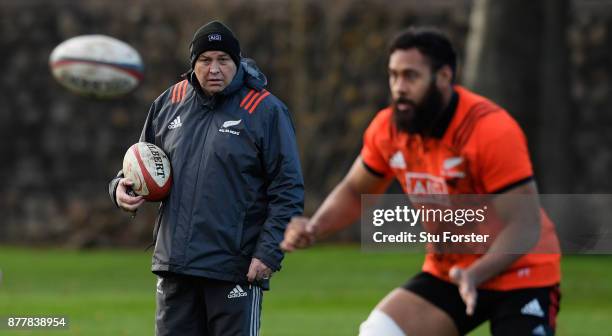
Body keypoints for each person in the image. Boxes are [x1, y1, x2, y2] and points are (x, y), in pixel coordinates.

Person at [281, 27, 561, 336]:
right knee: (379, 332)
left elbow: (525, 225)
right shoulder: (388, 129)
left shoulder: (490, 130)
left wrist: (475, 274)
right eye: (393, 75)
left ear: (443, 76)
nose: (399, 87)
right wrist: (314, 226)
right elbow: (356, 190)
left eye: (410, 76)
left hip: (521, 272)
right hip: (450, 274)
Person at [108, 20, 304, 336]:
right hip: (176, 268)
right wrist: (119, 188)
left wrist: (269, 252)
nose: (214, 69)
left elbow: (288, 190)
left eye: (223, 60)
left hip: (234, 270)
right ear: (193, 63)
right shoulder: (169, 102)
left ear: (237, 61)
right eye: (205, 60)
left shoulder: (266, 110)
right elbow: (140, 163)